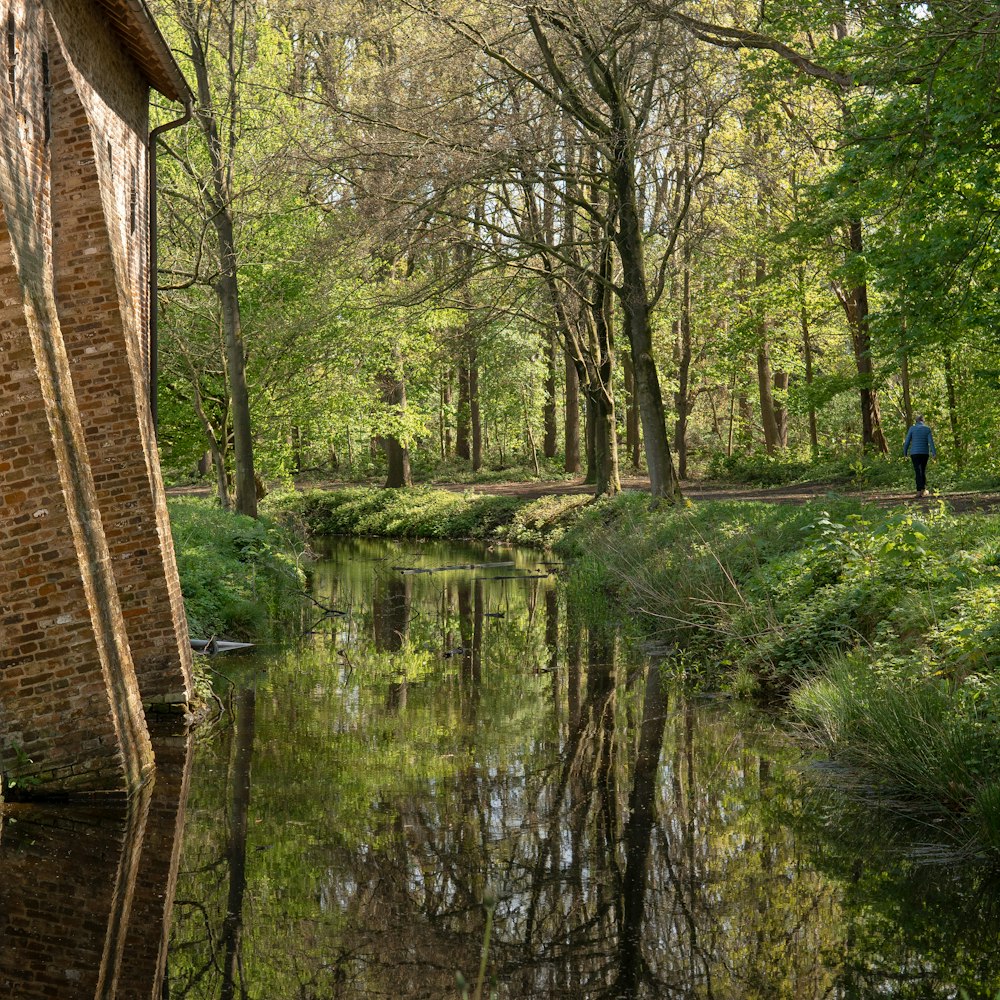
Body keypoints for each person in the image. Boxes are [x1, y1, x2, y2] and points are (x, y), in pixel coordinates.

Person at [903, 414, 936, 497]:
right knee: (923, 470)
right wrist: (933, 453)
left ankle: (919, 491)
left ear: (916, 421)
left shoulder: (912, 429)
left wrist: (905, 452)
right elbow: (931, 442)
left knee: (918, 471)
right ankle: (923, 490)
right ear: (923, 421)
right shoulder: (927, 429)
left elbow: (907, 442)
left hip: (914, 453)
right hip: (924, 453)